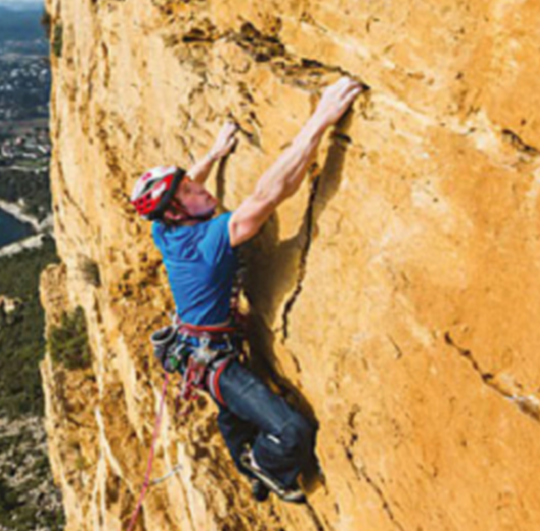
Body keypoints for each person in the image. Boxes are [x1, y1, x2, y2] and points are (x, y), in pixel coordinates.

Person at [129, 76, 365, 502]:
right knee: (292, 430)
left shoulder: (165, 231)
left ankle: (244, 462)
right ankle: (264, 465)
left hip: (194, 349)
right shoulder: (209, 239)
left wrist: (215, 153)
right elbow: (270, 193)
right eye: (187, 192)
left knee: (234, 411)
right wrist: (320, 120)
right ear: (177, 213)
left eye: (189, 183)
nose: (199, 189)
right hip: (213, 360)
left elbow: (191, 184)